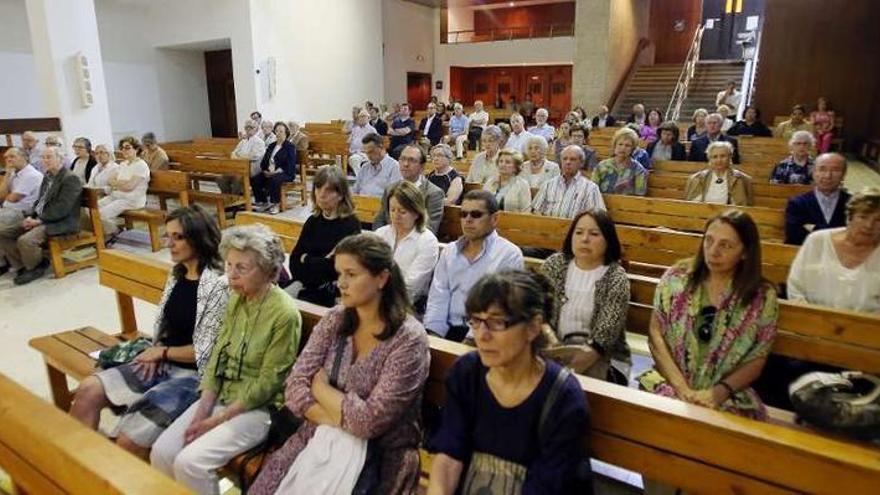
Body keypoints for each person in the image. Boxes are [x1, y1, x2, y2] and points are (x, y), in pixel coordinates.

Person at [250, 234, 430, 495]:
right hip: (318, 434)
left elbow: (371, 422)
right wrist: (333, 419)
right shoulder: (336, 318)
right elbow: (294, 386)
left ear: (382, 278)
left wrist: (321, 388)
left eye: (351, 274)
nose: (341, 283)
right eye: (339, 274)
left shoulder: (408, 339)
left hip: (379, 457)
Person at [151, 224, 301, 494]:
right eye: (229, 265)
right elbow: (218, 355)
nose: (230, 275)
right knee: (162, 451)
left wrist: (216, 420)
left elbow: (268, 383)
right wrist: (202, 410)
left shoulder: (284, 314)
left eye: (241, 268)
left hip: (258, 409)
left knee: (190, 463)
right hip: (221, 396)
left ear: (268, 270)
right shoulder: (236, 300)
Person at [69, 205, 228, 458]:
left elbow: (205, 353)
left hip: (195, 377)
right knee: (88, 390)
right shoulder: (177, 274)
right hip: (163, 358)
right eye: (168, 236)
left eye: (178, 237)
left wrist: (161, 353)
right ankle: (74, 469)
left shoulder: (218, 285)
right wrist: (156, 350)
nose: (169, 243)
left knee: (129, 440)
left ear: (199, 239)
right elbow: (166, 327)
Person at [428, 269, 590, 494]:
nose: (482, 335)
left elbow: (547, 485)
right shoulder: (466, 373)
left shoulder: (563, 397)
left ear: (533, 327)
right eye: (476, 321)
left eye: (497, 323)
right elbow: (449, 453)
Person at [638, 210, 778, 419]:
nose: (713, 252)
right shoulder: (676, 278)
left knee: (724, 419)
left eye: (726, 245)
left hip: (726, 393)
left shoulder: (761, 296)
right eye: (709, 241)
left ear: (745, 252)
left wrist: (717, 393)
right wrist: (682, 389)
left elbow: (757, 358)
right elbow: (656, 336)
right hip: (673, 382)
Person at [541, 209, 631, 383]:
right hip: (553, 349)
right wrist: (553, 348)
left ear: (608, 240)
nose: (584, 239)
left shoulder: (615, 277)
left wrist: (564, 377)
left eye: (594, 234)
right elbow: (538, 311)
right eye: (579, 232)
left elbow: (604, 337)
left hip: (601, 356)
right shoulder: (555, 264)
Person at [424, 190, 524, 342]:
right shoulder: (450, 251)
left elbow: (499, 307)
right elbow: (438, 297)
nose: (468, 220)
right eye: (463, 214)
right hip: (446, 329)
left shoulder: (509, 254)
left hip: (486, 335)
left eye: (476, 214)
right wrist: (433, 335)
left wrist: (471, 340)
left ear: (494, 218)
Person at [788, 187, 880, 313]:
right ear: (850, 217)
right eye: (863, 217)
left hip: (867, 327)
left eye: (878, 220)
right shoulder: (817, 241)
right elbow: (795, 287)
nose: (869, 226)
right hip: (810, 321)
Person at [0, 147, 81, 285]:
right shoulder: (48, 176)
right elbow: (40, 201)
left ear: (60, 158)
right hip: (45, 219)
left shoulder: (70, 178)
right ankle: (21, 266)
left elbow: (62, 209)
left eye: (49, 157)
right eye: (43, 157)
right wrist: (31, 217)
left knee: (25, 240)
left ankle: (35, 267)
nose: (45, 160)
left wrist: (39, 221)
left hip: (63, 222)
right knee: (3, 233)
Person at [289, 166, 361, 306]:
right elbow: (294, 262)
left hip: (334, 291)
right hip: (306, 284)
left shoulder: (350, 224)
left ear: (340, 195)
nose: (321, 195)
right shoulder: (313, 221)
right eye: (318, 188)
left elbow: (337, 269)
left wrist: (307, 259)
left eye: (328, 190)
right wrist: (320, 262)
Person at [374, 181, 440, 306]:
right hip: (374, 297)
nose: (396, 216)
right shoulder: (380, 234)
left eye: (402, 211)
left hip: (407, 304)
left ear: (416, 213)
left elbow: (411, 285)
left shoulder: (427, 241)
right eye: (392, 210)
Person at [373, 145, 444, 233]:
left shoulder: (433, 193)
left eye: (412, 160)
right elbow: (380, 220)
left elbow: (429, 228)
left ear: (422, 166)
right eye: (402, 159)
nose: (405, 164)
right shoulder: (390, 189)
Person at [784, 153, 851, 245]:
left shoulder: (853, 203)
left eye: (835, 170)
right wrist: (840, 231)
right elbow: (794, 237)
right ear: (814, 172)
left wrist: (814, 228)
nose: (828, 176)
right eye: (822, 169)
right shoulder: (797, 203)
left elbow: (855, 237)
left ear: (844, 175)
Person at [0, 148, 43, 277]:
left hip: (22, 213)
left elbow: (13, 198)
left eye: (12, 156)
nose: (8, 160)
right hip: (8, 210)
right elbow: (2, 194)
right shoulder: (14, 173)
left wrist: (6, 195)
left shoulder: (31, 174)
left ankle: (7, 262)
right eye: (6, 158)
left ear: (23, 157)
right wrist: (7, 174)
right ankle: (14, 264)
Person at [532, 145, 605, 218]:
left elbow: (598, 216)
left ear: (581, 163)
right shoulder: (548, 185)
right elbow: (536, 210)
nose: (568, 162)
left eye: (572, 159)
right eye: (565, 159)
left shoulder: (590, 188)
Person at [99, 136, 151, 238]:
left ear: (136, 149)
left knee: (100, 214)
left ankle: (112, 234)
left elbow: (129, 187)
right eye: (122, 148)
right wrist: (123, 183)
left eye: (127, 147)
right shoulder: (123, 164)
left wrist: (118, 183)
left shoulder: (141, 165)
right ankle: (112, 231)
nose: (124, 150)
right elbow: (109, 180)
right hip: (117, 196)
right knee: (91, 209)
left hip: (131, 200)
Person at [685, 141, 753, 206]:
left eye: (723, 156)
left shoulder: (741, 179)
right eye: (715, 157)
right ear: (709, 159)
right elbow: (692, 205)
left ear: (730, 157)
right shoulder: (698, 178)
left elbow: (743, 207)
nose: (719, 160)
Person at [252, 122, 297, 214]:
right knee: (255, 179)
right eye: (276, 131)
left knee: (275, 179)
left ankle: (275, 204)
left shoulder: (290, 147)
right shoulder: (272, 145)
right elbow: (264, 161)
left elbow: (290, 165)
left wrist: (275, 172)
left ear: (286, 133)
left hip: (285, 173)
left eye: (281, 131)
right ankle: (264, 202)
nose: (278, 133)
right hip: (269, 171)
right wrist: (265, 170)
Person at [593, 128, 648, 196]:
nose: (623, 148)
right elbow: (593, 190)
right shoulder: (602, 166)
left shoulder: (638, 170)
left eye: (627, 145)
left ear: (632, 149)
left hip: (626, 205)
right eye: (620, 144)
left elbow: (640, 195)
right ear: (615, 146)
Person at [222, 120, 266, 194]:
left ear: (256, 129)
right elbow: (233, 153)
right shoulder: (243, 141)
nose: (248, 130)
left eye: (251, 127)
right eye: (246, 128)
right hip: (238, 167)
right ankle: (229, 197)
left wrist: (239, 156)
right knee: (220, 178)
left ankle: (235, 199)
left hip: (251, 168)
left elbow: (253, 156)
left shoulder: (259, 142)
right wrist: (240, 157)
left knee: (237, 178)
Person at [353, 133, 402, 197]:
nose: (368, 156)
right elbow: (355, 191)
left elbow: (393, 195)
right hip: (361, 204)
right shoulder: (365, 167)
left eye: (371, 152)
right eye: (366, 153)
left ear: (381, 147)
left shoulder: (394, 167)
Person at [484, 148, 532, 212]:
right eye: (501, 161)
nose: (503, 165)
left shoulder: (522, 185)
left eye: (507, 162)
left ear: (516, 167)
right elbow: (482, 204)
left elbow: (526, 211)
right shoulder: (490, 182)